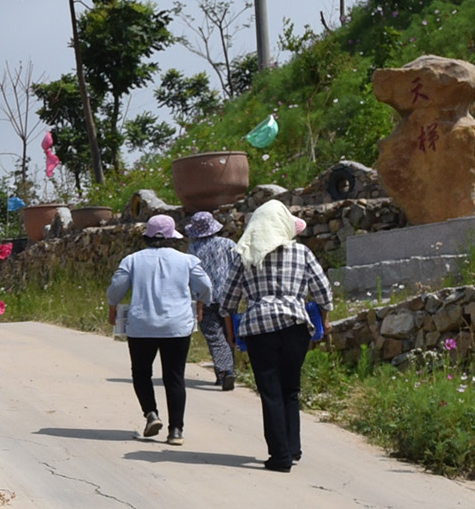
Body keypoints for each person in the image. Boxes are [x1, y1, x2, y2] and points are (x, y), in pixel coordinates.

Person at [221, 199, 333, 473]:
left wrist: (231, 333)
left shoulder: (245, 256)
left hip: (259, 328)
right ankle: (293, 448)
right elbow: (324, 294)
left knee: (270, 392)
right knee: (291, 389)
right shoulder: (302, 253)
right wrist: (324, 323)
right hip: (296, 326)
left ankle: (279, 456)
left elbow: (228, 301)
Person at [106, 214, 217, 446]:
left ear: (147, 237)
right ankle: (176, 430)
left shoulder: (132, 260)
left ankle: (151, 414)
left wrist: (113, 305)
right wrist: (200, 301)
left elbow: (116, 287)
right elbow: (205, 286)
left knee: (141, 372)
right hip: (176, 326)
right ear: (172, 237)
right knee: (174, 377)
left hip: (141, 326)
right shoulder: (187, 260)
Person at [187, 210, 243, 391]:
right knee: (229, 334)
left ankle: (225, 371)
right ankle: (227, 371)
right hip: (229, 296)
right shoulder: (228, 244)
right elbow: (239, 266)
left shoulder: (193, 249)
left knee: (214, 337)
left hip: (205, 299)